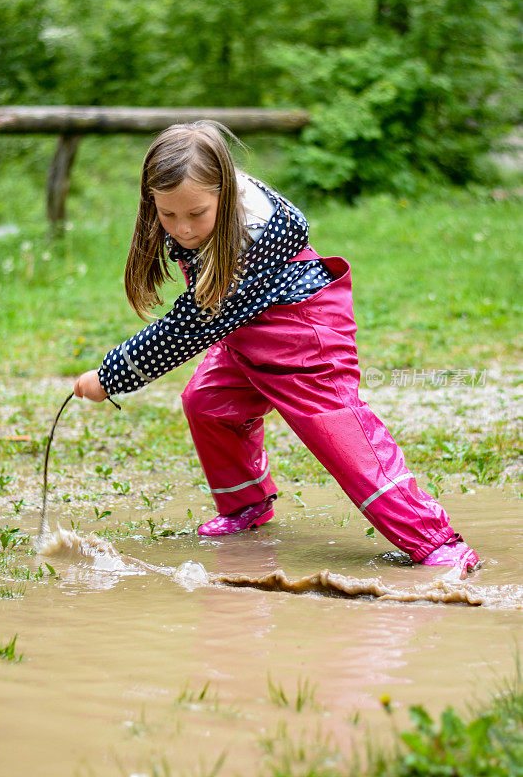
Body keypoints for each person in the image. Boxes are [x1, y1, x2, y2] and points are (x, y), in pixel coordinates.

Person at [74, 121, 479, 578]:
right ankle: (246, 503)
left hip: (304, 334)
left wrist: (109, 376)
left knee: (341, 437)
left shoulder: (253, 236)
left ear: (225, 195)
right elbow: (212, 310)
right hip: (244, 326)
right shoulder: (198, 200)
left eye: (196, 214)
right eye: (168, 216)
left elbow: (189, 327)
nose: (182, 229)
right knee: (208, 402)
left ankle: (434, 539)